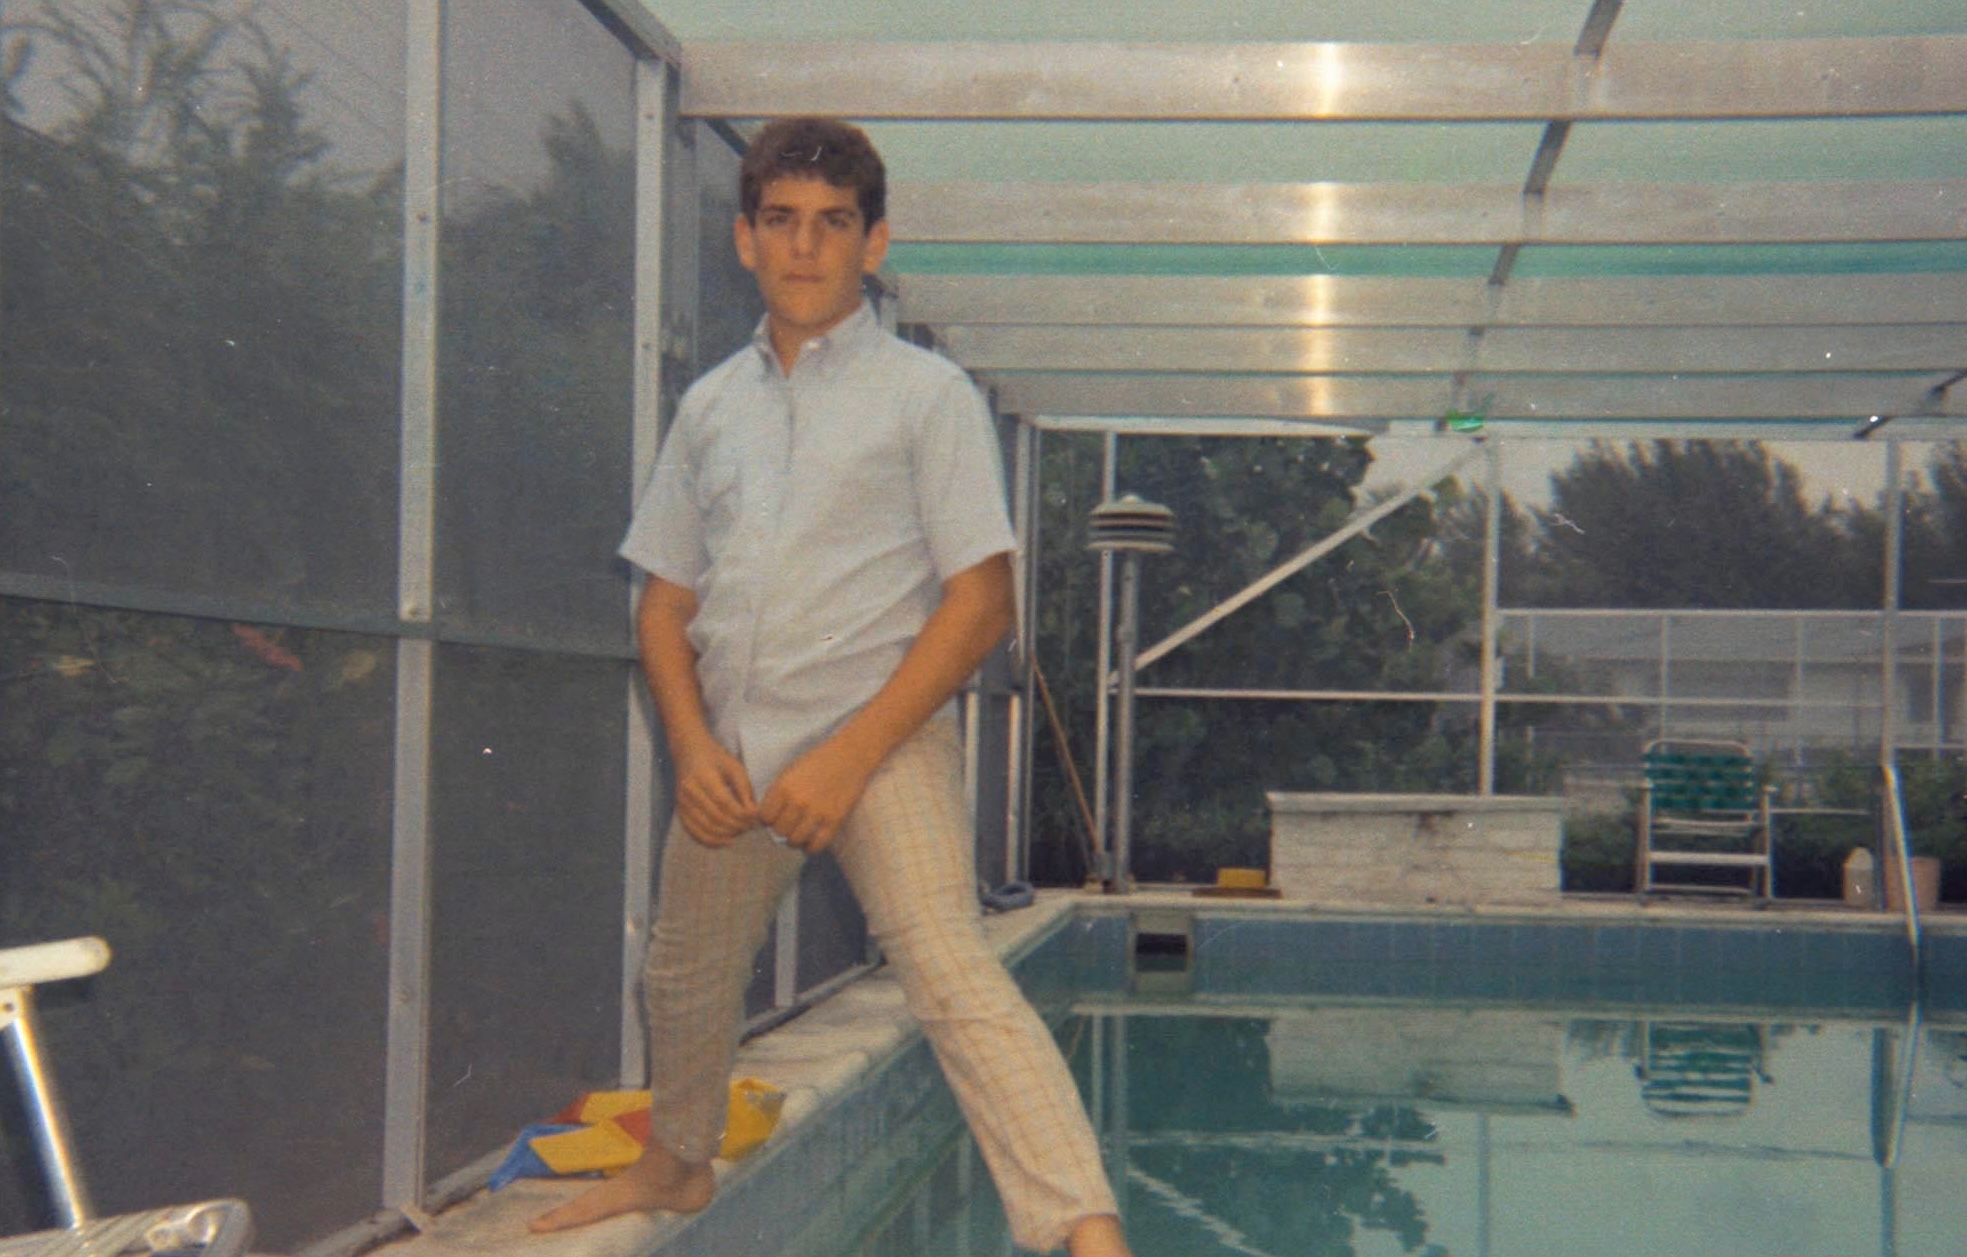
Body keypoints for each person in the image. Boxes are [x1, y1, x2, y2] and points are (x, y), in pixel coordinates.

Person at [529, 117, 1131, 1257]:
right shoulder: (710, 407)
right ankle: (675, 1166)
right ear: (745, 239)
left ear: (873, 241)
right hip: (738, 751)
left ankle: (1085, 1234)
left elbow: (979, 602)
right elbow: (663, 601)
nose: (806, 248)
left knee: (950, 971)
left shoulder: (928, 395)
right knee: (684, 978)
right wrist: (695, 748)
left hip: (881, 740)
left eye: (832, 224)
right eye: (782, 222)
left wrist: (850, 756)